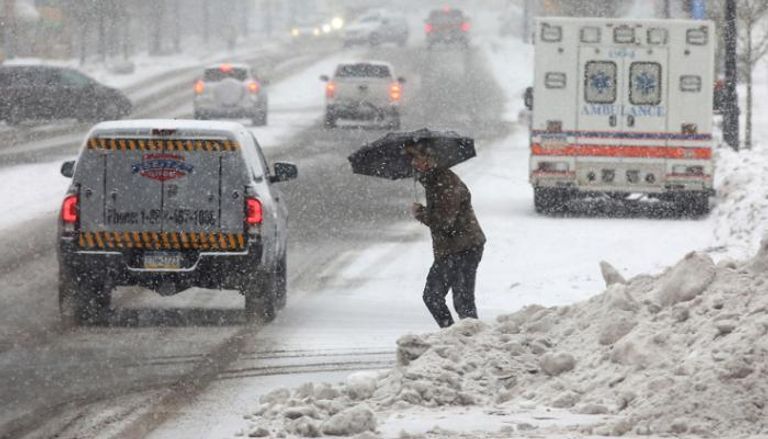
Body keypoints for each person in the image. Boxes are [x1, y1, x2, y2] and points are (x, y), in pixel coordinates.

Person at [406, 141, 486, 328]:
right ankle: (457, 340)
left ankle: (462, 341)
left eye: (415, 157)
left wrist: (421, 213)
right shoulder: (434, 181)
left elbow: (445, 221)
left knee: (455, 300)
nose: (412, 163)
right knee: (448, 299)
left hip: (463, 247)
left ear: (429, 158)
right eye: (410, 158)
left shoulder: (446, 182)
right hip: (453, 248)